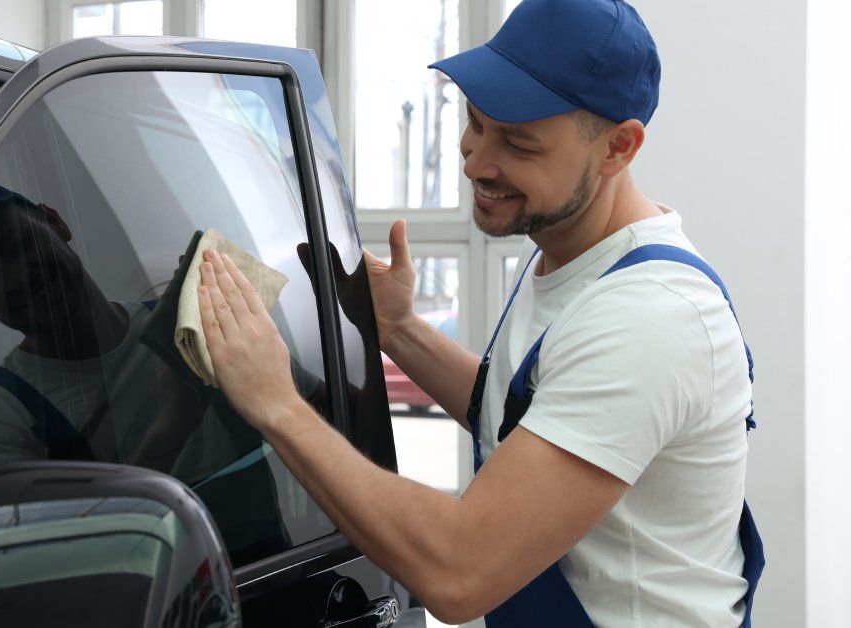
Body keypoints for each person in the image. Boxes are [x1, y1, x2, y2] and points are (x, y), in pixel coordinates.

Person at [196, 0, 764, 625]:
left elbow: (460, 570)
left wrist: (274, 403)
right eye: (474, 122)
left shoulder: (649, 317)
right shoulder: (569, 248)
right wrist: (402, 333)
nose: (475, 160)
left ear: (617, 148)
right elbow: (540, 417)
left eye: (519, 143)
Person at [0, 179, 323, 563]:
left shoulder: (199, 325)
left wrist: (372, 329)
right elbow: (44, 579)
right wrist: (172, 427)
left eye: (18, 246)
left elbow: (347, 435)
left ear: (54, 221)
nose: (16, 276)